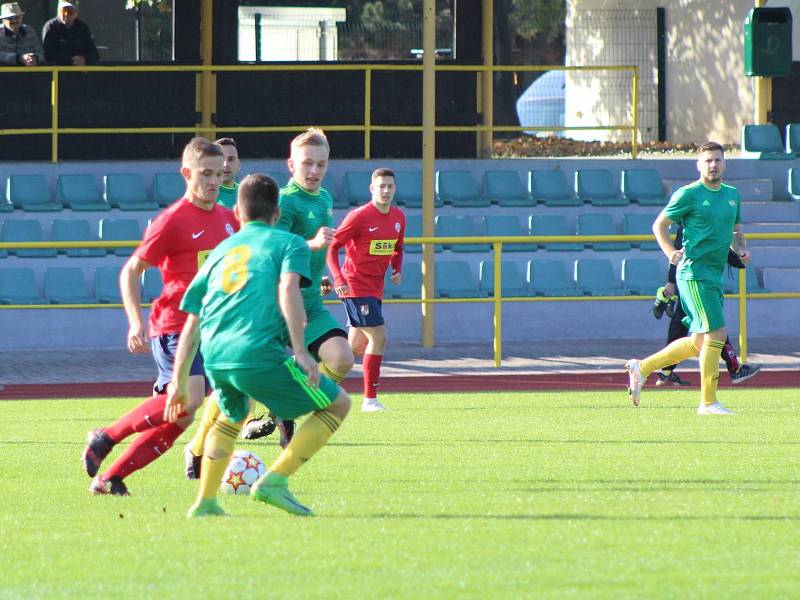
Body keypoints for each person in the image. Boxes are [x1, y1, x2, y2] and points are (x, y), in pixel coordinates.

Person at [165, 173, 350, 518]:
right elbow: (288, 290)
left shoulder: (221, 250)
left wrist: (178, 380)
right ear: (277, 213)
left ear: (237, 212)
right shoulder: (288, 243)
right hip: (258, 351)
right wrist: (299, 350)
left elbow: (191, 318)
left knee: (233, 417)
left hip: (216, 354)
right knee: (337, 405)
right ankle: (275, 481)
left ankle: (205, 503)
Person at [185, 127, 354, 471]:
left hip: (308, 303)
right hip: (275, 305)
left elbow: (301, 254)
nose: (314, 171)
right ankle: (197, 446)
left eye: (321, 164)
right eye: (307, 163)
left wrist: (315, 273)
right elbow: (269, 249)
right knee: (237, 392)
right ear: (291, 165)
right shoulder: (285, 201)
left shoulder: (323, 199)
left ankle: (285, 408)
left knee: (341, 359)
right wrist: (312, 244)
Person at [81, 137, 238, 495]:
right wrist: (135, 321)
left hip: (211, 330)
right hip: (174, 326)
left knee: (181, 417)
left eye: (219, 173)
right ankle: (106, 436)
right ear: (186, 174)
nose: (214, 181)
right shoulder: (171, 221)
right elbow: (131, 271)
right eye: (206, 174)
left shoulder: (230, 221)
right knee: (191, 396)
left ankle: (111, 478)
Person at [626, 141, 750, 415]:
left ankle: (642, 368)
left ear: (725, 163)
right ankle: (708, 402)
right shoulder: (688, 194)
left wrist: (740, 249)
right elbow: (659, 225)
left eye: (717, 160)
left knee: (698, 342)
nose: (713, 165)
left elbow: (736, 229)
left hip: (714, 274)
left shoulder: (732, 195)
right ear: (698, 165)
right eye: (708, 161)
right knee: (716, 333)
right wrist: (670, 251)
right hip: (693, 273)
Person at [327, 168, 405, 412]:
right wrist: (338, 278)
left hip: (376, 288)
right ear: (372, 189)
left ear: (395, 189)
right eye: (381, 186)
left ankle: (315, 385)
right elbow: (332, 248)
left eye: (389, 186)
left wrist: (396, 268)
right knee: (379, 337)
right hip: (355, 285)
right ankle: (370, 400)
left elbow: (397, 247)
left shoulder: (398, 217)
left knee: (354, 350)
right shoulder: (359, 216)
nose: (385, 191)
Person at [655, 224, 761, 387]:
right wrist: (671, 280)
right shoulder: (693, 216)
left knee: (695, 333)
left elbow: (721, 240)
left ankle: (655, 369)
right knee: (711, 327)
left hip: (706, 279)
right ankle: (734, 369)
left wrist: (739, 254)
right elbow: (670, 238)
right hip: (695, 279)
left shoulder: (711, 214)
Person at [42, 1, 98, 66]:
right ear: (58, 11)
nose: (66, 14)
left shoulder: (83, 27)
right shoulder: (50, 26)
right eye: (63, 11)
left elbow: (94, 53)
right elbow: (49, 55)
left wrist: (84, 59)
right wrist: (71, 61)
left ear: (76, 13)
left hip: (80, 73)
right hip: (58, 72)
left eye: (70, 11)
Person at [214, 137, 240, 210]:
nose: (225, 164)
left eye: (231, 159)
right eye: (221, 159)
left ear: (238, 164)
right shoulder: (203, 197)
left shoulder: (249, 193)